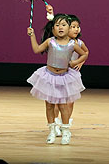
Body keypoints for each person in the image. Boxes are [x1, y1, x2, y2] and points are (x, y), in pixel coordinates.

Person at [27, 13, 88, 145]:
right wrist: (32, 36)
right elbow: (36, 49)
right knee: (49, 105)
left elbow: (84, 54)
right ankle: (52, 130)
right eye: (57, 25)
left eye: (64, 25)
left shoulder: (72, 44)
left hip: (63, 77)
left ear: (69, 28)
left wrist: (76, 62)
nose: (60, 27)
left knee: (63, 106)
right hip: (49, 76)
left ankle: (65, 130)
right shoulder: (50, 41)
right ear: (53, 28)